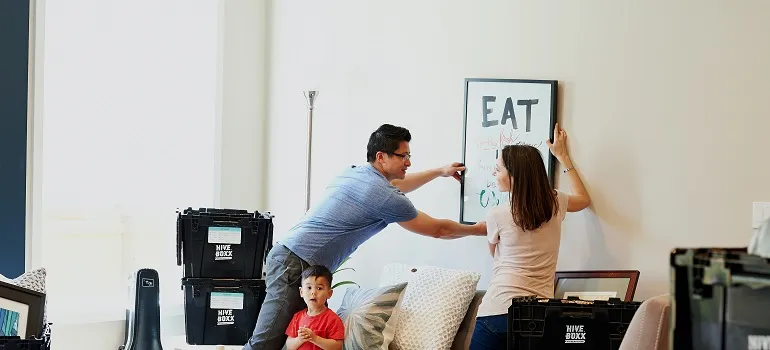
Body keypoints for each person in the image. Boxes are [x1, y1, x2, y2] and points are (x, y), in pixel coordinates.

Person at [243, 124, 487, 350]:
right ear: (381, 157)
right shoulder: (382, 195)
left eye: (409, 156)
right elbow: (438, 230)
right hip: (295, 265)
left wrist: (439, 171)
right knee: (266, 342)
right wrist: (478, 229)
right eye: (403, 156)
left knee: (310, 341)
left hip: (294, 259)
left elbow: (400, 185)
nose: (409, 162)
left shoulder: (357, 173)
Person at [469, 123, 592, 350]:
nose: (494, 174)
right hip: (539, 315)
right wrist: (563, 157)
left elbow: (496, 256)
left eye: (498, 169)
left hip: (496, 310)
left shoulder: (497, 214)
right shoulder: (556, 202)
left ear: (514, 175)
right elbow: (583, 199)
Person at [285, 265, 344, 350]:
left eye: (319, 288)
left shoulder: (333, 319)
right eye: (309, 287)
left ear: (329, 293)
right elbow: (289, 346)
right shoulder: (297, 317)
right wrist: (299, 339)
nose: (313, 292)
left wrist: (315, 339)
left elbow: (337, 347)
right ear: (301, 292)